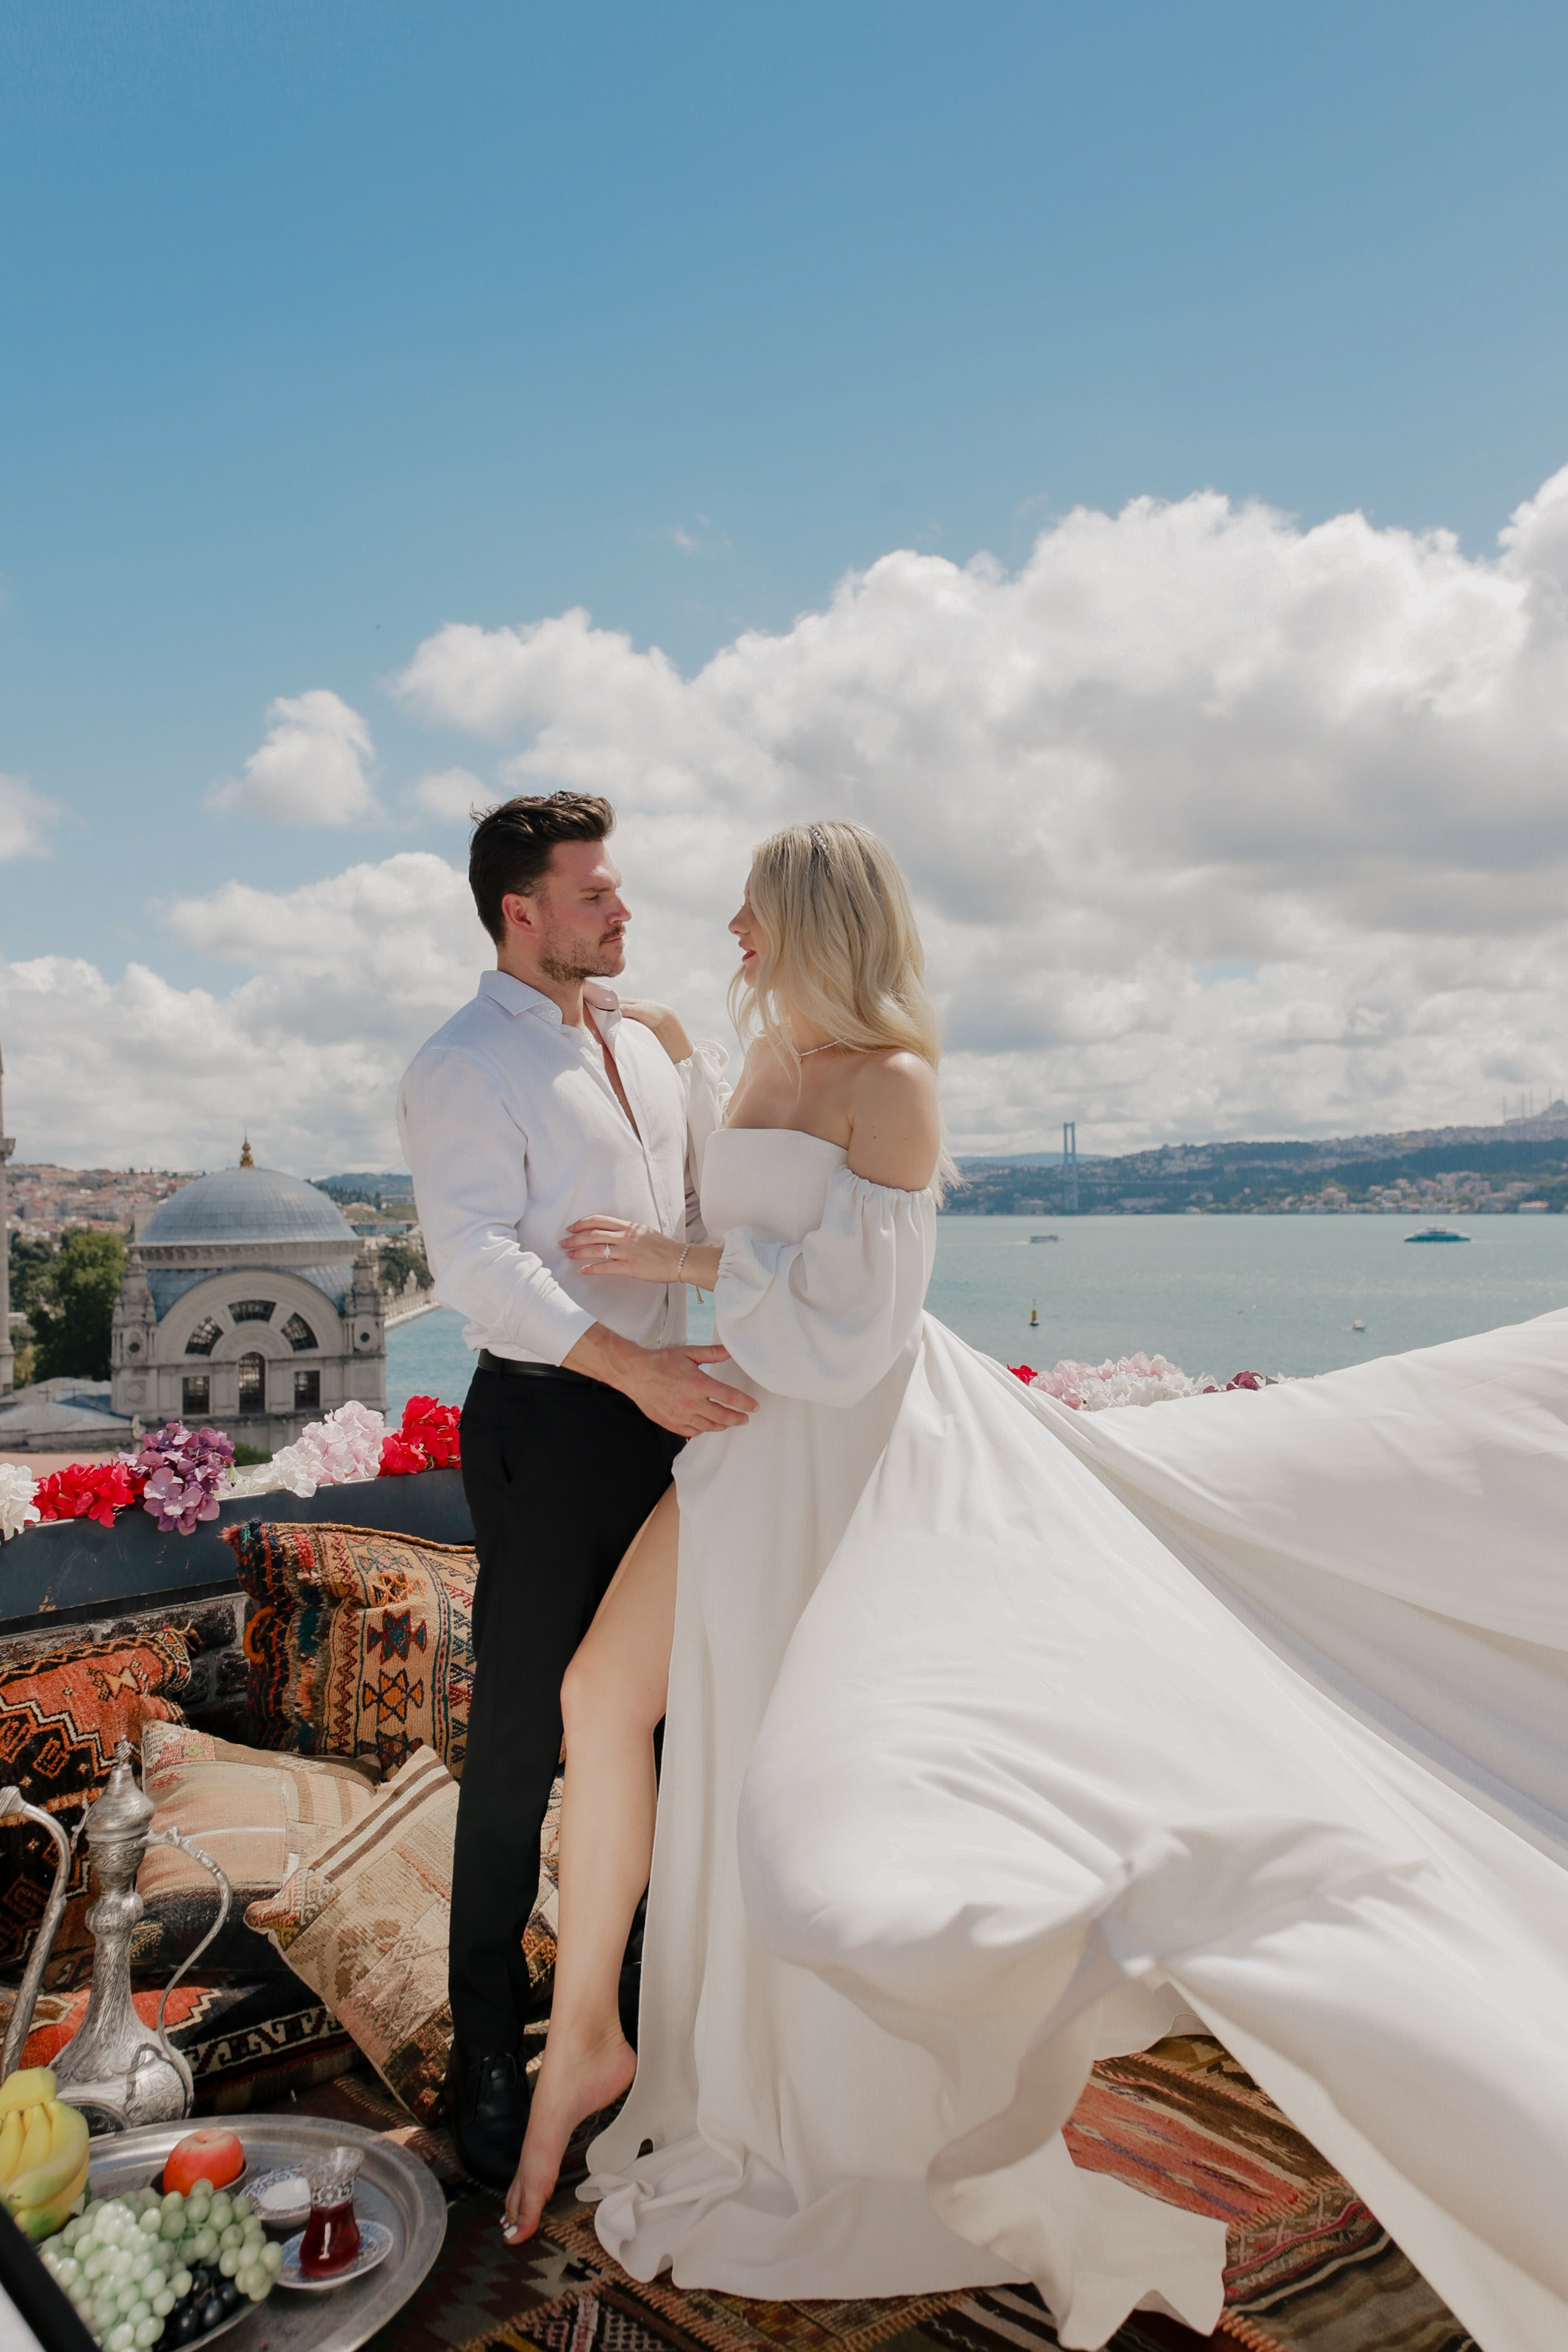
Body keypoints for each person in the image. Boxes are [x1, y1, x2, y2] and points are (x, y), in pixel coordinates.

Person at [501, 815, 1568, 2351]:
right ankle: (626, 2050)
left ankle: (852, 2111)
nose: (725, 930)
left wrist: (672, 1269)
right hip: (750, 1445)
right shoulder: (754, 1063)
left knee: (820, 1780)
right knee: (613, 1692)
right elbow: (757, 1243)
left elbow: (856, 1324)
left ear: (810, 915)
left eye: (749, 909)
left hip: (863, 1452)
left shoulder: (898, 1086)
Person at [397, 790, 756, 2188]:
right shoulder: (462, 1062)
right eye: (594, 892)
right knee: (524, 1742)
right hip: (551, 1426)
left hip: (676, 1427)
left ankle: (634, 2018)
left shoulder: (641, 1048)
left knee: (664, 1727)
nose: (620, 911)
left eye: (615, 889)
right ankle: (490, 2046)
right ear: (520, 911)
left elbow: (692, 1223)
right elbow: (478, 1262)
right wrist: (631, 1366)